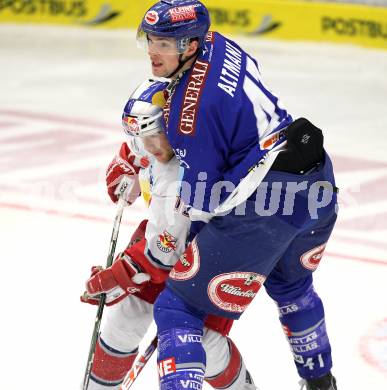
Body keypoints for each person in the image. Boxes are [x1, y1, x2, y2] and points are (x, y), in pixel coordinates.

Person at [87, 1, 339, 389]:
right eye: (150, 40)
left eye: (165, 44)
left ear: (189, 45)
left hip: (267, 207)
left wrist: (129, 267)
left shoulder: (189, 126)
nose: (154, 52)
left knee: (178, 308)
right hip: (313, 175)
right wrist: (132, 156)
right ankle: (322, 383)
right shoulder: (218, 44)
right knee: (292, 288)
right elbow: (160, 131)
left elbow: (194, 216)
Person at [82, 79, 257, 390]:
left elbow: (162, 255)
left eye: (153, 138)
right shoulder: (169, 132)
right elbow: (144, 143)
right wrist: (128, 161)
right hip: (172, 239)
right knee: (125, 320)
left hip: (219, 249)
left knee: (203, 340)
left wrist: (117, 276)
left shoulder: (187, 174)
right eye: (140, 139)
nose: (149, 148)